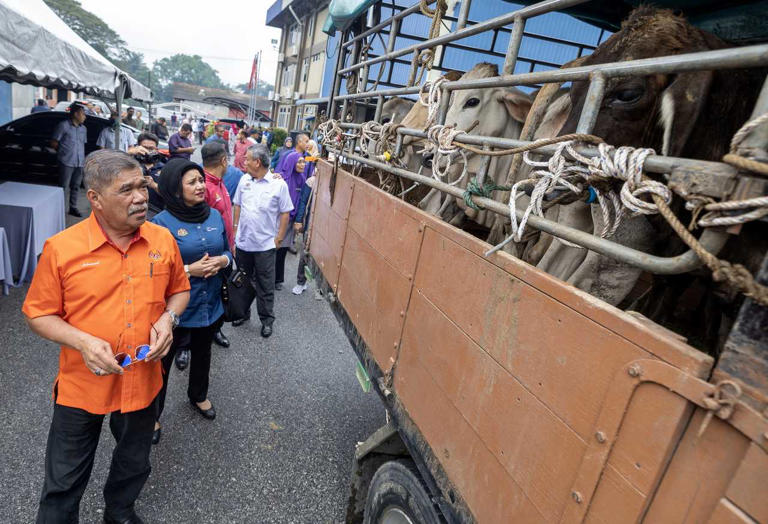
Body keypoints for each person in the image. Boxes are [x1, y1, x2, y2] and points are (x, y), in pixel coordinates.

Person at [22, 149, 190, 523]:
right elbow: (37, 313)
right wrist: (82, 341)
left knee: (134, 462)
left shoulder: (162, 240)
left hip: (143, 380)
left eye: (143, 186)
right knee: (63, 480)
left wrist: (168, 319)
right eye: (126, 189)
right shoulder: (62, 249)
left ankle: (119, 510)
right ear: (94, 199)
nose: (141, 197)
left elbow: (179, 291)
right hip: (82, 386)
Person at [151, 158, 231, 444]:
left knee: (203, 354)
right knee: (163, 362)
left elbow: (227, 251)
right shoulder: (160, 224)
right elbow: (152, 270)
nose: (201, 186)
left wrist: (223, 260)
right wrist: (188, 270)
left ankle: (198, 395)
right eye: (192, 182)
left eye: (201, 180)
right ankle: (153, 415)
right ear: (174, 188)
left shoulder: (213, 216)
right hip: (176, 309)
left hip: (210, 305)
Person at [232, 144, 292, 337]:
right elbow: (238, 205)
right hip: (244, 243)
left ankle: (266, 320)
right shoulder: (244, 180)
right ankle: (242, 313)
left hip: (265, 245)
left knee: (265, 284)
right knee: (243, 281)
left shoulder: (278, 184)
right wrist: (235, 231)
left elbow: (285, 213)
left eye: (248, 159)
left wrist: (280, 237)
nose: (245, 162)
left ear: (257, 162)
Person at [201, 141, 237, 348]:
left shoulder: (220, 183)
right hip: (208, 255)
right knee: (198, 295)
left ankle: (215, 329)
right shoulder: (203, 186)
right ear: (224, 160)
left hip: (224, 252)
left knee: (219, 293)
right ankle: (184, 346)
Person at [274, 154, 307, 290]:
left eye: (303, 162)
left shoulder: (302, 179)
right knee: (271, 250)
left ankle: (277, 280)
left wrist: (298, 220)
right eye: (299, 162)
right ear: (291, 162)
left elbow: (301, 201)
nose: (302, 165)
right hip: (277, 219)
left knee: (282, 251)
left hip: (290, 219)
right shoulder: (280, 178)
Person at [51, 101, 88, 217]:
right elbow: (54, 142)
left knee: (76, 186)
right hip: (66, 161)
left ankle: (73, 207)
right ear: (76, 114)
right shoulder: (63, 126)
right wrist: (63, 153)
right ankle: (58, 209)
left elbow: (82, 144)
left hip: (79, 162)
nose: (85, 117)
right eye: (83, 114)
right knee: (63, 186)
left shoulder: (84, 129)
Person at [292, 172, 316, 295]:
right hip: (311, 225)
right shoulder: (311, 181)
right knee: (304, 253)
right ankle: (301, 282)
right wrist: (298, 220)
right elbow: (303, 202)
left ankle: (307, 281)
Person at [132, 132, 166, 219]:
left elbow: (171, 195)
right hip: (132, 211)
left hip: (156, 214)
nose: (147, 151)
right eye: (144, 148)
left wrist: (154, 185)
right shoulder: (129, 164)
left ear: (156, 149)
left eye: (151, 148)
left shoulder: (164, 168)